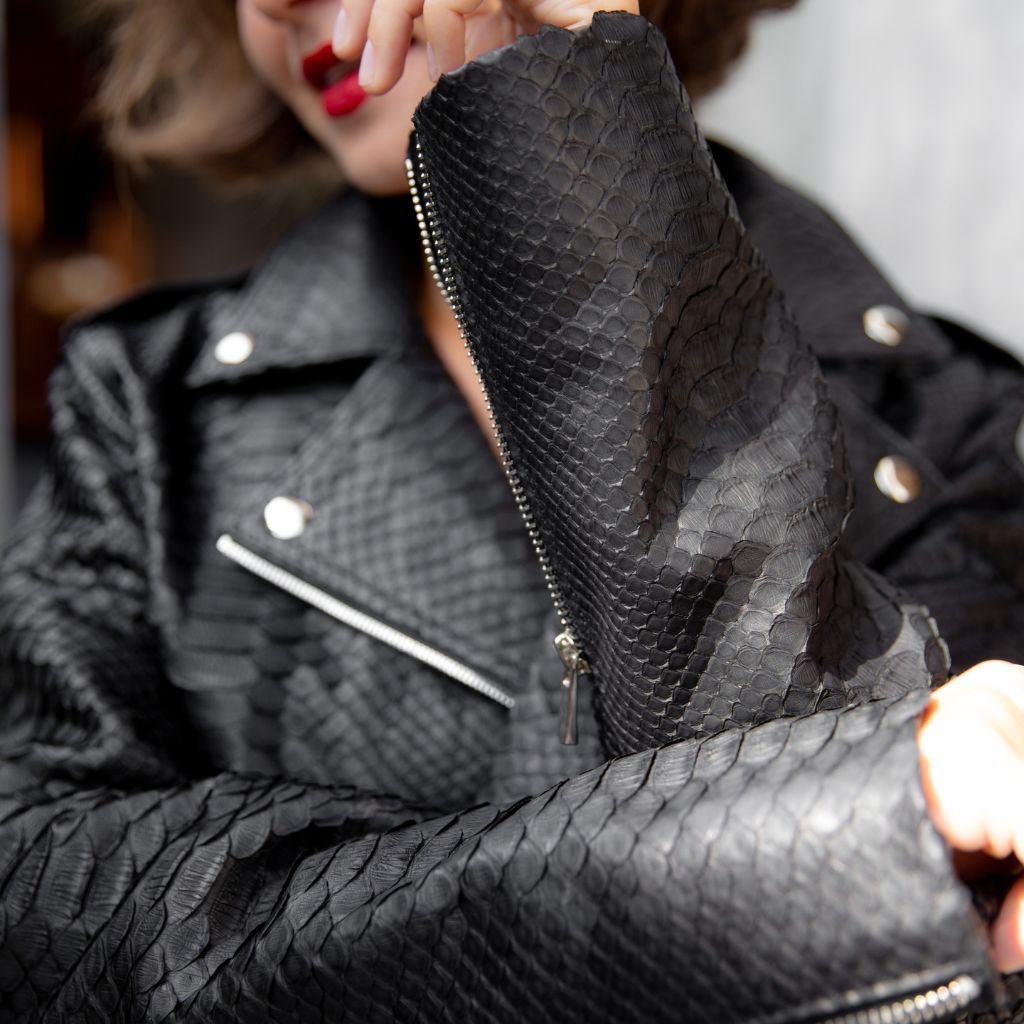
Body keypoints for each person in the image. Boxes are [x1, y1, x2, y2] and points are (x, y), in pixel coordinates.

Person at [1, 0, 1023, 1020]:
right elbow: (55, 925)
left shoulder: (953, 414)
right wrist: (829, 820)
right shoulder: (143, 413)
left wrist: (568, 130)